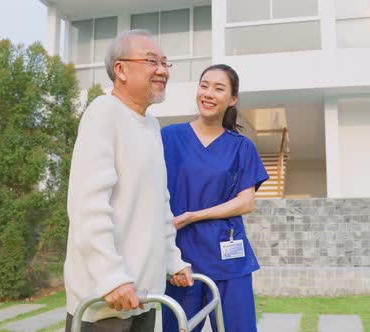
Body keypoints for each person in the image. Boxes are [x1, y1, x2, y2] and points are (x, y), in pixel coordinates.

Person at [64, 29, 193, 331]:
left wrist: (173, 260)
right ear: (121, 69)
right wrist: (111, 277)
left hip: (144, 296)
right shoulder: (103, 113)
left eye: (164, 63)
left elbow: (159, 204)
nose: (162, 70)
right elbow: (88, 206)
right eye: (151, 61)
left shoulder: (150, 125)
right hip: (105, 300)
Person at [161, 64, 269, 332]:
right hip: (182, 262)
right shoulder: (168, 137)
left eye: (219, 88)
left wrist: (194, 215)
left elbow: (246, 202)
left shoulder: (241, 146)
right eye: (204, 85)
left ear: (232, 100)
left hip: (229, 262)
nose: (208, 93)